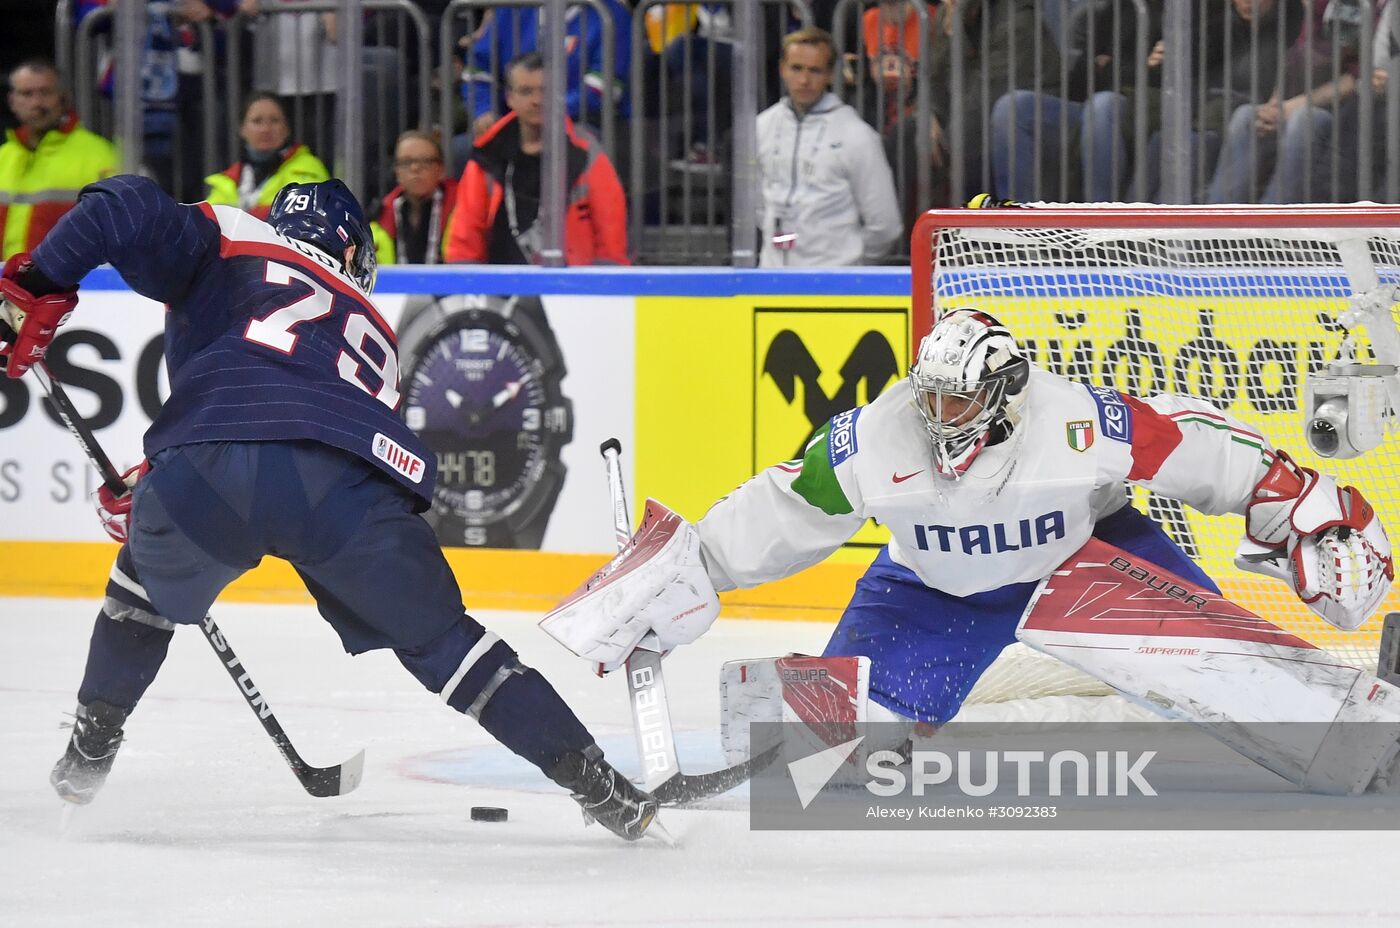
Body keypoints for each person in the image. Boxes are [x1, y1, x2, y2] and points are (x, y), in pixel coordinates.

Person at [0, 173, 657, 840]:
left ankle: (88, 753)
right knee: (453, 651)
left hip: (210, 470)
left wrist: (38, 283)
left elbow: (123, 204)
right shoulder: (373, 326)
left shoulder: (233, 236)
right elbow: (292, 424)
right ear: (351, 253)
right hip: (345, 486)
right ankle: (606, 791)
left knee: (138, 585)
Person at [543, 309, 1397, 789]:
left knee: (1290, 710)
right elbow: (777, 512)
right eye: (931, 398)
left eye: (959, 402)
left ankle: (1380, 735)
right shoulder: (871, 438)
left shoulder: (1076, 424)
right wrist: (679, 577)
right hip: (931, 590)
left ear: (1001, 394)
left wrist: (1306, 512)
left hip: (1082, 564)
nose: (937, 417)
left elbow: (1204, 445)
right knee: (811, 760)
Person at [445, 52, 629, 266]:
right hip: (499, 290)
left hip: (570, 290)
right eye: (526, 91)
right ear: (510, 98)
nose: (537, 100)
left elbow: (610, 233)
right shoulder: (488, 153)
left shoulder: (587, 152)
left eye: (545, 91)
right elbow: (465, 235)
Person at [757, 27, 901, 267]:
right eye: (796, 68)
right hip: (771, 279)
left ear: (831, 75)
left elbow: (885, 225)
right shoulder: (761, 127)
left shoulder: (857, 136)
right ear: (782, 69)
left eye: (815, 70)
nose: (804, 80)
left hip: (836, 285)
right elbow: (759, 208)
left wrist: (847, 264)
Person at [0, 59, 117, 260]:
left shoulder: (101, 156)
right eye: (27, 94)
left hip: (72, 287)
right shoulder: (4, 156)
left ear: (63, 99)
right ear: (12, 101)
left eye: (45, 93)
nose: (36, 103)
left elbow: (118, 233)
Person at [204, 92, 330, 220]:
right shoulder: (229, 178)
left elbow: (303, 216)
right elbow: (208, 222)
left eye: (274, 120)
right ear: (242, 129)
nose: (265, 129)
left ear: (286, 129)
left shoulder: (307, 167)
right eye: (257, 121)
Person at [374, 131, 457, 265]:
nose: (415, 168)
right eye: (406, 162)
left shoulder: (461, 210)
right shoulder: (379, 217)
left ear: (441, 169)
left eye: (425, 161)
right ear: (397, 171)